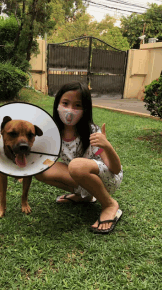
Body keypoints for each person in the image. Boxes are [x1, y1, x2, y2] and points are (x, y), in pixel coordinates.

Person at [35, 81, 123, 234]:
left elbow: (115, 169)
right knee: (40, 169)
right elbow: (38, 155)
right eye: (65, 103)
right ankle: (85, 197)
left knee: (76, 166)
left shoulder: (91, 132)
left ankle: (109, 204)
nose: (70, 110)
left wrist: (107, 145)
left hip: (106, 179)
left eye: (77, 105)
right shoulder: (54, 132)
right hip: (80, 176)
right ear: (57, 104)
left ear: (85, 109)